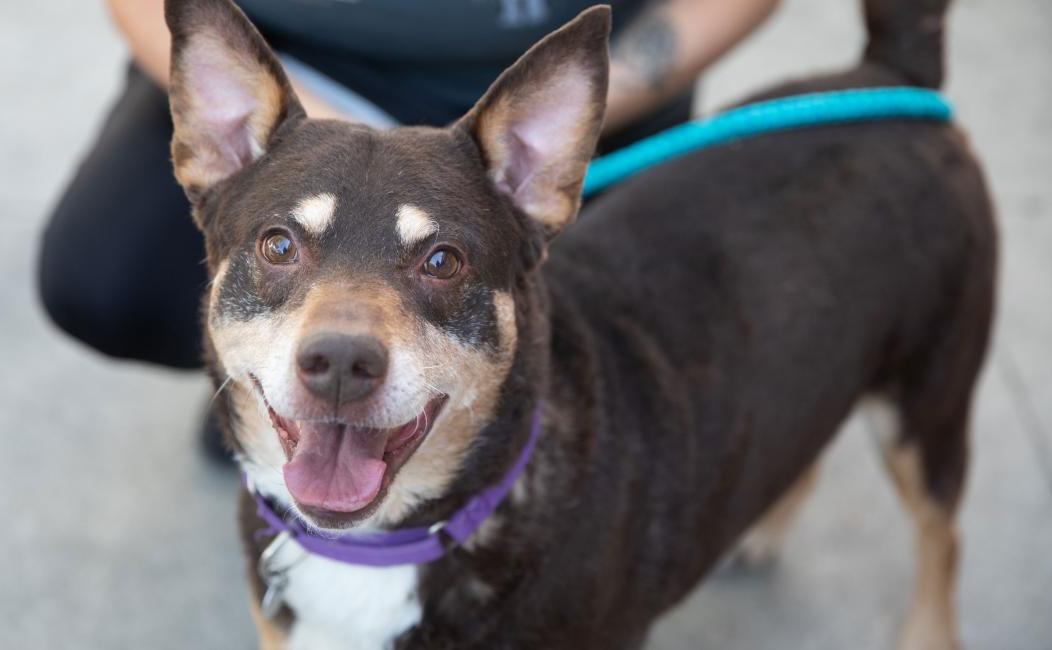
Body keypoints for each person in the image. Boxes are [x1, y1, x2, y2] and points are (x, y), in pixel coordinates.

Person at [38, 0, 780, 454]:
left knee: (614, 369)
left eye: (439, 260)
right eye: (281, 246)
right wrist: (313, 143)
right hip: (297, 83)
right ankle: (277, 395)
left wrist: (516, 155)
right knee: (103, 278)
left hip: (536, 111)